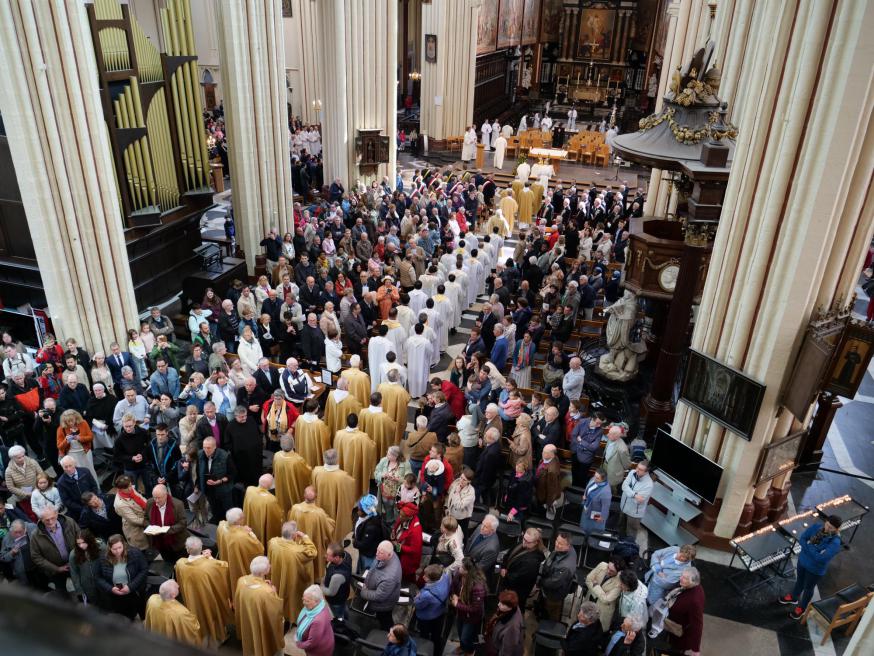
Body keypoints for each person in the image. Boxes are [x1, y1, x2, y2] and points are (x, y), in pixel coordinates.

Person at [780, 514, 843, 619]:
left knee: (808, 588)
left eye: (831, 528)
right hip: (803, 561)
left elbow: (821, 559)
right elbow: (802, 539)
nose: (827, 528)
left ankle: (802, 608)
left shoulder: (835, 542)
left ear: (836, 529)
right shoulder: (816, 527)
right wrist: (815, 550)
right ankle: (794, 597)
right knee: (799, 581)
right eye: (827, 524)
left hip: (815, 570)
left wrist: (809, 546)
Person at [174, 536, 233, 648]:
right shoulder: (209, 565)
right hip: (209, 597)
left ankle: (202, 638)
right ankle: (219, 637)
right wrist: (210, 558)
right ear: (201, 548)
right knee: (212, 616)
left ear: (187, 549)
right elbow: (224, 567)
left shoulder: (180, 564)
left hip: (192, 598)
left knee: (199, 615)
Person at [268, 520, 318, 621]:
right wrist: (305, 537)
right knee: (292, 599)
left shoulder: (273, 542)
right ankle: (292, 616)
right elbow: (313, 552)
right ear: (295, 535)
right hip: (292, 578)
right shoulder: (298, 551)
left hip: (278, 575)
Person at [234, 556, 285, 656]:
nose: (270, 565)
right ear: (263, 573)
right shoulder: (267, 592)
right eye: (268, 566)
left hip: (247, 618)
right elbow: (275, 614)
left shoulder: (241, 580)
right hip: (259, 621)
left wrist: (263, 583)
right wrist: (274, 593)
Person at [651, 567, 704, 654]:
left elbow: (697, 626)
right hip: (672, 627)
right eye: (682, 576)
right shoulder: (690, 586)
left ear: (693, 582)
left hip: (680, 635)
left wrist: (696, 649)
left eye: (685, 578)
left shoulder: (694, 601)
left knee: (674, 651)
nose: (681, 578)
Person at [289, 487, 336, 581]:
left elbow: (290, 523)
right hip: (315, 542)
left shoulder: (295, 508)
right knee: (315, 561)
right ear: (316, 497)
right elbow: (328, 528)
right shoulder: (320, 513)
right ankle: (314, 579)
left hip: (299, 542)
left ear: (304, 495)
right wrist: (330, 521)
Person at [97, 533, 148, 618]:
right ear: (109, 548)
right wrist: (111, 588)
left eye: (120, 547)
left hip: (135, 592)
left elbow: (144, 570)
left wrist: (130, 587)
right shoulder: (103, 558)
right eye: (114, 549)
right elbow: (98, 577)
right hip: (115, 595)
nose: (117, 551)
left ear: (124, 545)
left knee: (141, 613)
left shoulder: (135, 553)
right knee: (124, 617)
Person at [312, 448, 358, 542]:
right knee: (337, 527)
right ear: (337, 460)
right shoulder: (343, 476)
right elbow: (350, 492)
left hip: (321, 505)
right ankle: (337, 542)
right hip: (337, 508)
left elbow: (313, 487)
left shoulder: (316, 471)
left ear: (324, 459)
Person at [499, 527, 546, 610]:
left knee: (513, 609)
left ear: (536, 543)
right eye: (524, 539)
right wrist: (503, 566)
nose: (524, 543)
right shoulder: (524, 542)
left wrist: (506, 574)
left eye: (528, 542)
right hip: (508, 581)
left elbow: (519, 578)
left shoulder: (533, 561)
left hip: (517, 591)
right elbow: (508, 554)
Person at [144, 579, 202, 645]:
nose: (178, 585)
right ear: (173, 595)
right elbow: (194, 628)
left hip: (156, 635)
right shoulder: (181, 613)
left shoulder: (152, 599)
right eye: (176, 587)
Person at [360, 540, 403, 629]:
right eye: (377, 550)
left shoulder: (390, 576)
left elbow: (379, 596)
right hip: (379, 597)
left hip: (384, 605)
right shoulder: (387, 556)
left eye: (380, 553)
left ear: (389, 554)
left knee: (385, 620)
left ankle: (387, 634)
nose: (376, 554)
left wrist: (364, 592)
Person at [451, 557, 488, 656]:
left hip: (471, 617)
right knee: (460, 633)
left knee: (465, 637)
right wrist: (454, 594)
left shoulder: (478, 587)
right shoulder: (459, 575)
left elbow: (475, 608)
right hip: (461, 613)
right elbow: (453, 585)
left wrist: (457, 604)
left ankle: (470, 651)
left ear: (468, 571)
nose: (459, 567)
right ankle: (463, 647)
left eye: (462, 567)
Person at [537, 531, 578, 621]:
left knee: (551, 614)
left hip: (553, 595)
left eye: (561, 544)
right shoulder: (568, 549)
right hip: (552, 585)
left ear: (568, 546)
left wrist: (539, 581)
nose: (557, 545)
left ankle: (549, 628)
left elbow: (553, 583)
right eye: (557, 541)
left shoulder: (565, 567)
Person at [198, 436, 236, 523]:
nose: (206, 450)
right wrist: (197, 485)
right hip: (209, 490)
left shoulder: (224, 456)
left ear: (215, 447)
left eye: (208, 448)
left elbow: (232, 474)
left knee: (228, 513)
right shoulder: (200, 454)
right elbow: (197, 471)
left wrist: (220, 481)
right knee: (215, 511)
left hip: (224, 490)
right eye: (204, 447)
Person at [272, 433, 312, 514]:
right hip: (294, 488)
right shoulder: (297, 460)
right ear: (293, 444)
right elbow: (308, 472)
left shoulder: (277, 455)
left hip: (281, 487)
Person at [242, 473, 283, 549]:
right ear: (270, 485)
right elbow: (275, 517)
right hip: (262, 524)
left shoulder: (249, 489)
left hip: (251, 521)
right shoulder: (271, 499)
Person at [294, 584, 335, 656]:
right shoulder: (321, 604)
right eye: (303, 599)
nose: (304, 603)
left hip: (318, 651)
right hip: (324, 638)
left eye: (307, 601)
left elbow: (311, 643)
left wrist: (299, 644)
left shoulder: (318, 621)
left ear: (316, 601)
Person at [585, 556, 625, 631]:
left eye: (612, 571)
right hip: (591, 598)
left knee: (596, 629)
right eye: (608, 567)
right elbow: (588, 579)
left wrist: (596, 585)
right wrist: (603, 593)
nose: (608, 571)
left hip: (602, 608)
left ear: (618, 571)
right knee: (584, 619)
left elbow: (606, 600)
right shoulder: (602, 565)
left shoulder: (620, 581)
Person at [69, 528, 106, 605]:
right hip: (87, 585)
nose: (81, 546)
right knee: (94, 605)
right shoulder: (73, 554)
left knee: (106, 603)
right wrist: (79, 590)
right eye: (78, 543)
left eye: (83, 542)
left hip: (102, 582)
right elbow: (74, 573)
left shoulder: (101, 548)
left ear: (89, 540)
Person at [113, 475, 149, 550]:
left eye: (130, 485)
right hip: (135, 529)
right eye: (127, 488)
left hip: (144, 518)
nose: (130, 488)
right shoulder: (120, 504)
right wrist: (149, 522)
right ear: (120, 489)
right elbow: (134, 520)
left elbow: (141, 498)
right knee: (141, 548)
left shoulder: (130, 489)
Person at [618, 460, 653, 538]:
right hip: (623, 507)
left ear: (646, 472)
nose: (637, 470)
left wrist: (629, 491)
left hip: (634, 513)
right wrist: (634, 494)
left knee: (631, 533)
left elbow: (638, 500)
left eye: (640, 469)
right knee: (620, 527)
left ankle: (628, 547)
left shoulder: (649, 484)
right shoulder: (632, 472)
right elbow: (623, 486)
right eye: (637, 467)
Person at [484, 589, 524, 656]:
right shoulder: (513, 607)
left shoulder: (512, 628)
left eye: (502, 604)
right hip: (497, 643)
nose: (498, 604)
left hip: (500, 650)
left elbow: (507, 650)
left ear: (510, 607)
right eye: (500, 601)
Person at [391, 501, 423, 582]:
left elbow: (414, 550)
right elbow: (396, 528)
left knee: (404, 579)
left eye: (402, 516)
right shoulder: (402, 517)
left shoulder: (416, 530)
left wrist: (397, 545)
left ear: (409, 517)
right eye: (400, 514)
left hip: (407, 560)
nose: (400, 517)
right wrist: (393, 533)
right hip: (399, 552)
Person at [322, 542, 353, 620]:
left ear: (337, 558)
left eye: (328, 555)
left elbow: (330, 592)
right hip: (344, 594)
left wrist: (321, 586)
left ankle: (342, 625)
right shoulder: (346, 555)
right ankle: (346, 617)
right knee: (343, 607)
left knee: (339, 615)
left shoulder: (337, 576)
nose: (326, 556)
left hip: (336, 601)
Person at [581, 468, 611, 534]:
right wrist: (585, 495)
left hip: (596, 513)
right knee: (583, 526)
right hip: (587, 508)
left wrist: (602, 517)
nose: (594, 479)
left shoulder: (606, 492)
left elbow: (606, 506)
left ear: (603, 480)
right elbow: (588, 488)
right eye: (595, 476)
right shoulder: (593, 479)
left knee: (593, 531)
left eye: (597, 478)